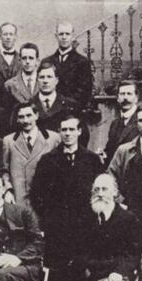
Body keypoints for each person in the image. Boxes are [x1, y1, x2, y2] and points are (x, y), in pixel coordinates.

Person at [30, 114, 104, 270]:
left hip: (84, 226)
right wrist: (49, 217)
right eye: (64, 130)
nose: (68, 133)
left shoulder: (92, 160)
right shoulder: (48, 160)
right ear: (59, 132)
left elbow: (100, 192)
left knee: (82, 268)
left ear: (79, 131)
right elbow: (36, 194)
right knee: (57, 271)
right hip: (57, 227)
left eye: (72, 129)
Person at [2, 102, 61, 208]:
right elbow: (4, 170)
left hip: (45, 200)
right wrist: (8, 190)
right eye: (21, 117)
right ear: (17, 119)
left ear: (36, 115)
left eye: (29, 115)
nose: (26, 121)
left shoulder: (53, 139)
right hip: (19, 199)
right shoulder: (9, 141)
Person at [43, 21, 93, 107]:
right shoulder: (47, 61)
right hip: (49, 109)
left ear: (72, 36)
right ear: (56, 36)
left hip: (71, 110)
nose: (64, 37)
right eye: (61, 34)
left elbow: (84, 93)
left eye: (67, 34)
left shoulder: (82, 62)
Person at [31, 62, 79, 134]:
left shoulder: (70, 105)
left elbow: (82, 134)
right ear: (37, 80)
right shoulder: (28, 105)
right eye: (42, 77)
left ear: (56, 80)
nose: (45, 81)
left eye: (49, 77)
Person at [102, 80, 140, 166]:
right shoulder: (114, 123)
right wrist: (103, 155)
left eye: (129, 94)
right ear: (118, 98)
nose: (125, 98)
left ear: (136, 98)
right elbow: (110, 151)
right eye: (122, 94)